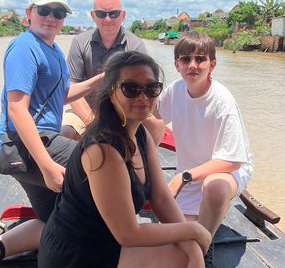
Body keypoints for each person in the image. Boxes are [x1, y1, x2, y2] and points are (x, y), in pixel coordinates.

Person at [0, 0, 103, 268]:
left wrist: (100, 79)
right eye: (44, 10)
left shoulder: (53, 50)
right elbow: (17, 109)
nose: (51, 17)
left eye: (58, 13)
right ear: (29, 13)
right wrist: (47, 166)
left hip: (32, 147)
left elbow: (60, 96)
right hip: (31, 146)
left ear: (64, 18)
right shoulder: (25, 47)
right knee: (103, 162)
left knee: (54, 222)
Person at [38, 51, 212, 268]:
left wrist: (190, 243)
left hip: (108, 241)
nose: (142, 96)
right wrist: (193, 230)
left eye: (151, 88)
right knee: (185, 256)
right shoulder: (104, 150)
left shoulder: (140, 133)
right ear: (112, 93)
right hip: (78, 254)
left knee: (190, 251)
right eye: (131, 89)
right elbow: (128, 234)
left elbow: (162, 199)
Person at [154, 31, 254, 267]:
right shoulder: (175, 90)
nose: (193, 65)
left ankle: (204, 246)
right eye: (186, 59)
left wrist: (183, 177)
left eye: (200, 59)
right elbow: (151, 117)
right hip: (190, 174)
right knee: (170, 240)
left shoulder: (222, 101)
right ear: (176, 65)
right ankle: (199, 230)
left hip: (226, 172)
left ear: (212, 65)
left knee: (215, 186)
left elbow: (233, 161)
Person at [64, 0, 165, 145]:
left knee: (156, 125)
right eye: (101, 13)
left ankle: (142, 163)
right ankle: (75, 167)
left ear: (123, 15)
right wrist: (92, 122)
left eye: (114, 14)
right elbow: (72, 86)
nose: (107, 19)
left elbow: (145, 88)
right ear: (93, 16)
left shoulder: (135, 45)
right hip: (86, 109)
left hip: (124, 108)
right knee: (65, 133)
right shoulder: (79, 42)